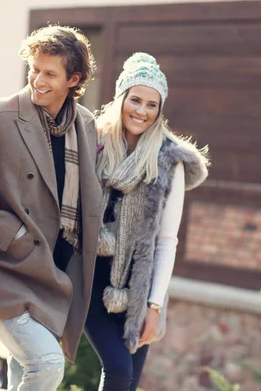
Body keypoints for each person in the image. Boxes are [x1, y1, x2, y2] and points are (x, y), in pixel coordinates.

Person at [0, 25, 102, 390]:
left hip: (55, 273)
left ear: (74, 79)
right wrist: (12, 232)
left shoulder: (85, 124)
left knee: (26, 371)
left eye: (50, 73)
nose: (38, 80)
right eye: (34, 69)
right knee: (47, 364)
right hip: (3, 267)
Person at [85, 52, 209, 391]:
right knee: (119, 369)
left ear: (160, 109)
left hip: (139, 288)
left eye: (152, 104)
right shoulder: (92, 141)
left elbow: (167, 241)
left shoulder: (170, 158)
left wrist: (154, 306)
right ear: (121, 98)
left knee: (128, 380)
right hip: (90, 278)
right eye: (135, 100)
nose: (142, 111)